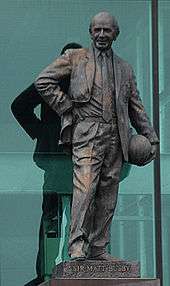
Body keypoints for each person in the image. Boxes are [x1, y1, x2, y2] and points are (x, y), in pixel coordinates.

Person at [34, 12, 159, 262]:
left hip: (116, 135)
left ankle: (99, 248)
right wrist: (66, 107)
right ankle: (77, 245)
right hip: (87, 133)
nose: (102, 35)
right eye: (97, 30)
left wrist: (150, 136)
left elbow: (136, 106)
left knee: (108, 193)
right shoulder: (75, 58)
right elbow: (43, 81)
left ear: (116, 34)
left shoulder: (125, 68)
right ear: (90, 32)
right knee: (85, 187)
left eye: (107, 30)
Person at [11, 43, 82, 286]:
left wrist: (42, 133)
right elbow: (19, 106)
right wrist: (44, 133)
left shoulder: (89, 85)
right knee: (53, 216)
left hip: (78, 160)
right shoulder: (50, 80)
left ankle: (66, 267)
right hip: (59, 160)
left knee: (66, 215)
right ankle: (47, 271)